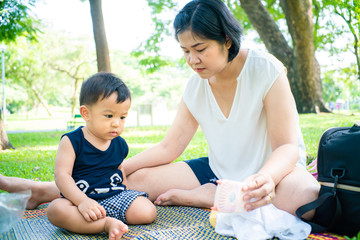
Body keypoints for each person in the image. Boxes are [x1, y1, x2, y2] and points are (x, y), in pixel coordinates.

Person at [0, 0, 319, 222]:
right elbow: (170, 146)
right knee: (133, 179)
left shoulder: (265, 69)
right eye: (185, 51)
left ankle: (207, 197)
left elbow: (287, 146)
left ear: (225, 40)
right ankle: (42, 191)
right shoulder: (196, 85)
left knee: (305, 200)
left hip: (273, 173)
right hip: (218, 170)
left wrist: (264, 178)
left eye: (200, 49)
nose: (193, 60)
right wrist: (121, 167)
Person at [47, 72, 156, 240]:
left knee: (147, 211)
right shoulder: (72, 141)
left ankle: (103, 219)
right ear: (86, 113)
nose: (116, 123)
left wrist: (126, 191)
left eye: (122, 117)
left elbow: (119, 169)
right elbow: (62, 176)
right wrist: (82, 201)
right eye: (109, 116)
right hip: (80, 201)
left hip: (114, 196)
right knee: (55, 210)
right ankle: (105, 224)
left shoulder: (119, 143)